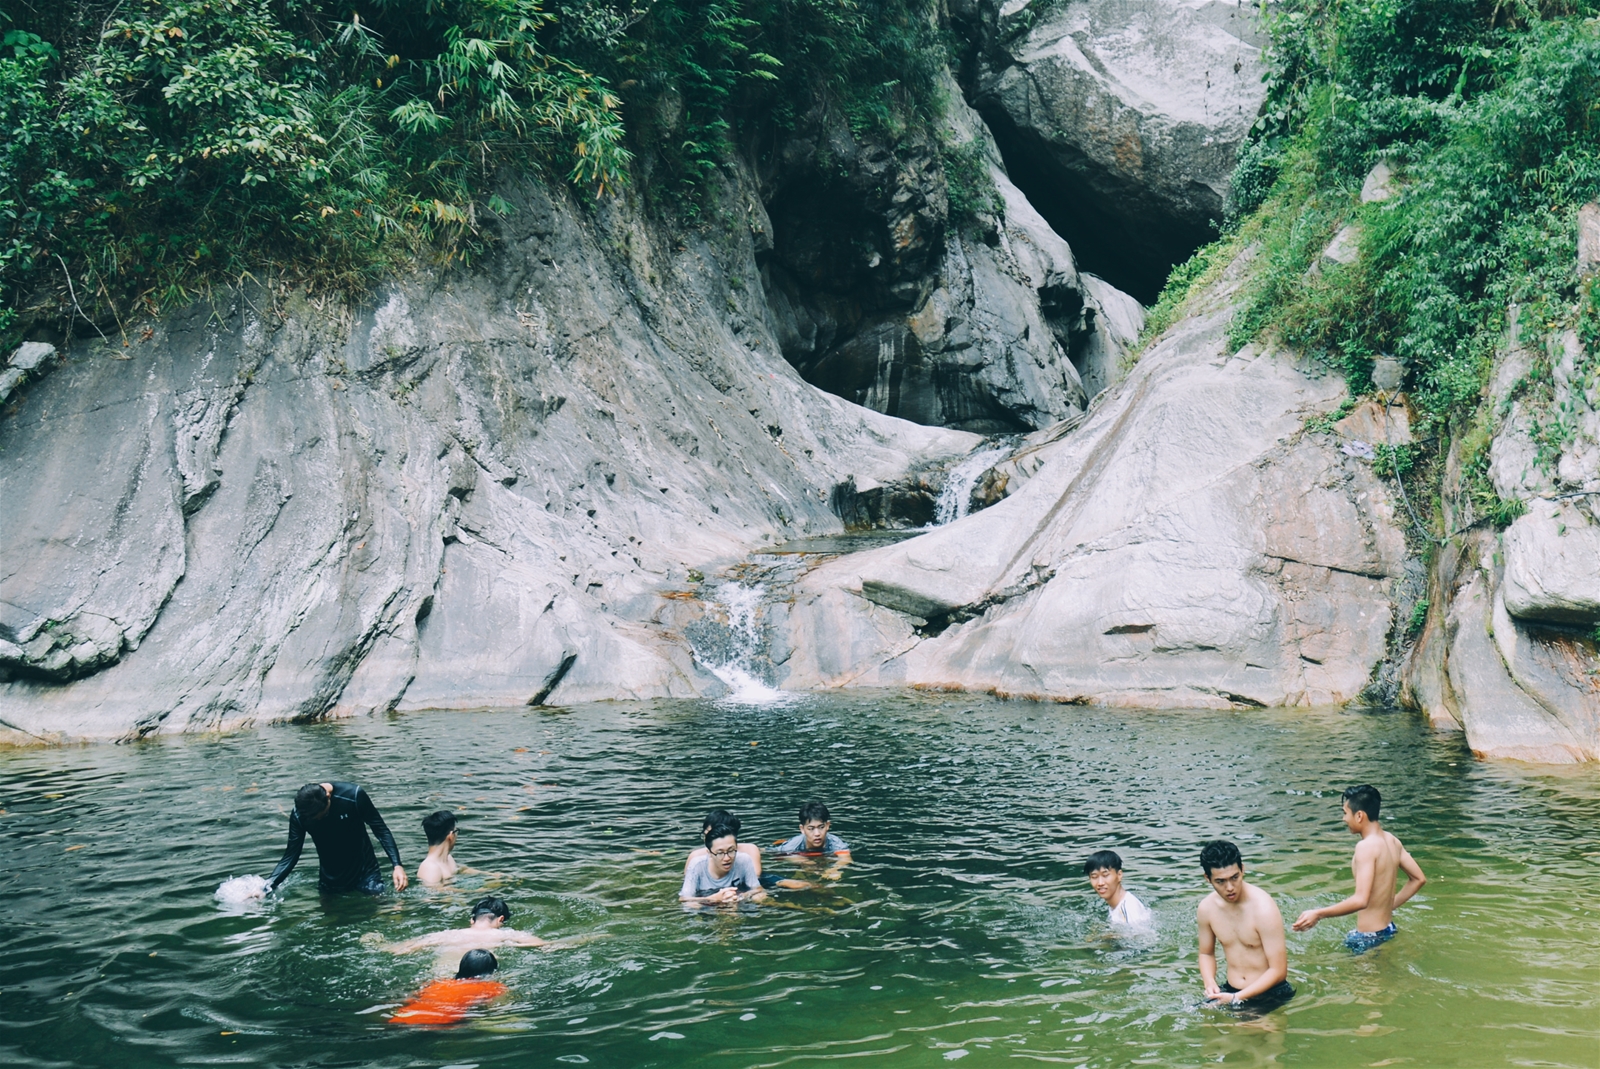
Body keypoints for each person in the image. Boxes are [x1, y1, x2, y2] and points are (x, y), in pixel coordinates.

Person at [1292, 785, 1427, 952]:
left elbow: (1360, 900)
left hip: (1368, 937)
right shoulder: (1392, 841)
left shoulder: (1366, 847)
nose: (1344, 819)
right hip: (1388, 929)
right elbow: (1418, 879)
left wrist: (1318, 913)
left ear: (1360, 815)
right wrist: (1388, 905)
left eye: (1345, 813)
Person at [1196, 840, 1293, 1011]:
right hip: (1231, 990)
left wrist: (1236, 998)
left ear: (1243, 870)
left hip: (1269, 992)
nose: (1230, 887)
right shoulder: (1207, 908)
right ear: (1208, 879)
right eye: (1220, 881)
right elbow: (1206, 953)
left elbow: (1279, 970)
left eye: (1235, 877)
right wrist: (1209, 981)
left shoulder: (1263, 908)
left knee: (1246, 1032)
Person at [268, 781, 406, 894]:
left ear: (328, 797)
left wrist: (397, 865)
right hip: (330, 877)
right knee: (330, 921)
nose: (318, 820)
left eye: (321, 816)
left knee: (381, 911)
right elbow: (290, 856)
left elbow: (380, 830)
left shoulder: (353, 795)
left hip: (365, 872)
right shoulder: (300, 814)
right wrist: (266, 887)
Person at [385, 896, 551, 955]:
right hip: (478, 982)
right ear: (501, 919)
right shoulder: (506, 935)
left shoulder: (447, 934)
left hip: (439, 979)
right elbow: (542, 945)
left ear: (472, 920)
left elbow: (400, 949)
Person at [685, 809, 803, 891]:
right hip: (715, 888)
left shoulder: (749, 850)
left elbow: (755, 876)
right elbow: (689, 881)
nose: (707, 837)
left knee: (790, 883)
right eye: (705, 833)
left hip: (751, 882)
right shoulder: (696, 857)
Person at [387, 949, 507, 1026]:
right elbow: (495, 1011)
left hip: (400, 1018)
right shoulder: (493, 988)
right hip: (439, 1025)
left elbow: (412, 998)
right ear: (492, 971)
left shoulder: (439, 982)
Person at [680, 821, 765, 906]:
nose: (727, 858)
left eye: (731, 851)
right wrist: (714, 899)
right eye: (720, 853)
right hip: (707, 902)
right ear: (709, 853)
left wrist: (740, 896)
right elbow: (684, 899)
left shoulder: (744, 859)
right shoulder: (697, 865)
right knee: (692, 905)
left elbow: (758, 889)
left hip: (737, 898)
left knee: (760, 897)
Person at [1084, 849, 1153, 928]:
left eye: (1105, 875)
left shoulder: (1128, 907)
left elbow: (1139, 936)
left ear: (1119, 875)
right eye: (1094, 877)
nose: (1100, 883)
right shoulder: (1119, 904)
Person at [417, 810, 460, 886]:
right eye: (456, 831)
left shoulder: (449, 858)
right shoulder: (430, 867)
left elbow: (461, 870)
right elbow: (432, 895)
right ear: (451, 836)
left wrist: (486, 875)